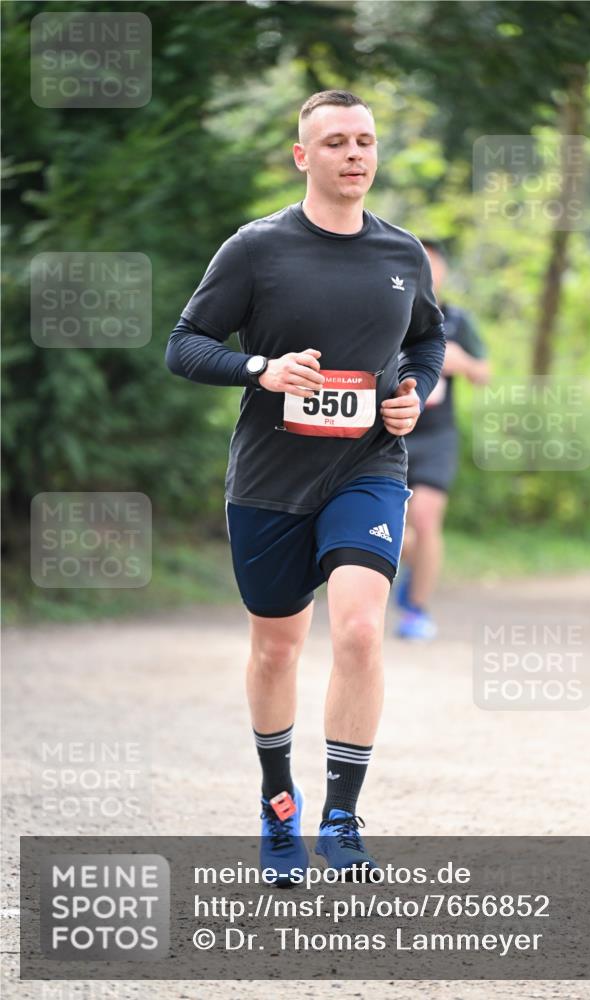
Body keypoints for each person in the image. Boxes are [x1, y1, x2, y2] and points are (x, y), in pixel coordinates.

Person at [165, 90, 445, 882]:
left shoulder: (402, 254)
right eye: (334, 143)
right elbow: (183, 346)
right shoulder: (256, 249)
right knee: (276, 649)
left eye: (364, 141)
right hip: (268, 478)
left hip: (367, 467)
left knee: (357, 631)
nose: (354, 154)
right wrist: (261, 367)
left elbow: (427, 340)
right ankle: (276, 807)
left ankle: (343, 817)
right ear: (302, 157)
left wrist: (411, 393)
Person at [395, 241, 489, 640]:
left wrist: (460, 361)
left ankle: (416, 609)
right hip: (388, 431)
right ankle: (410, 576)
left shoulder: (458, 320)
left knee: (427, 520)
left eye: (435, 268)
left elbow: (484, 373)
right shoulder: (385, 310)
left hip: (436, 435)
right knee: (397, 530)